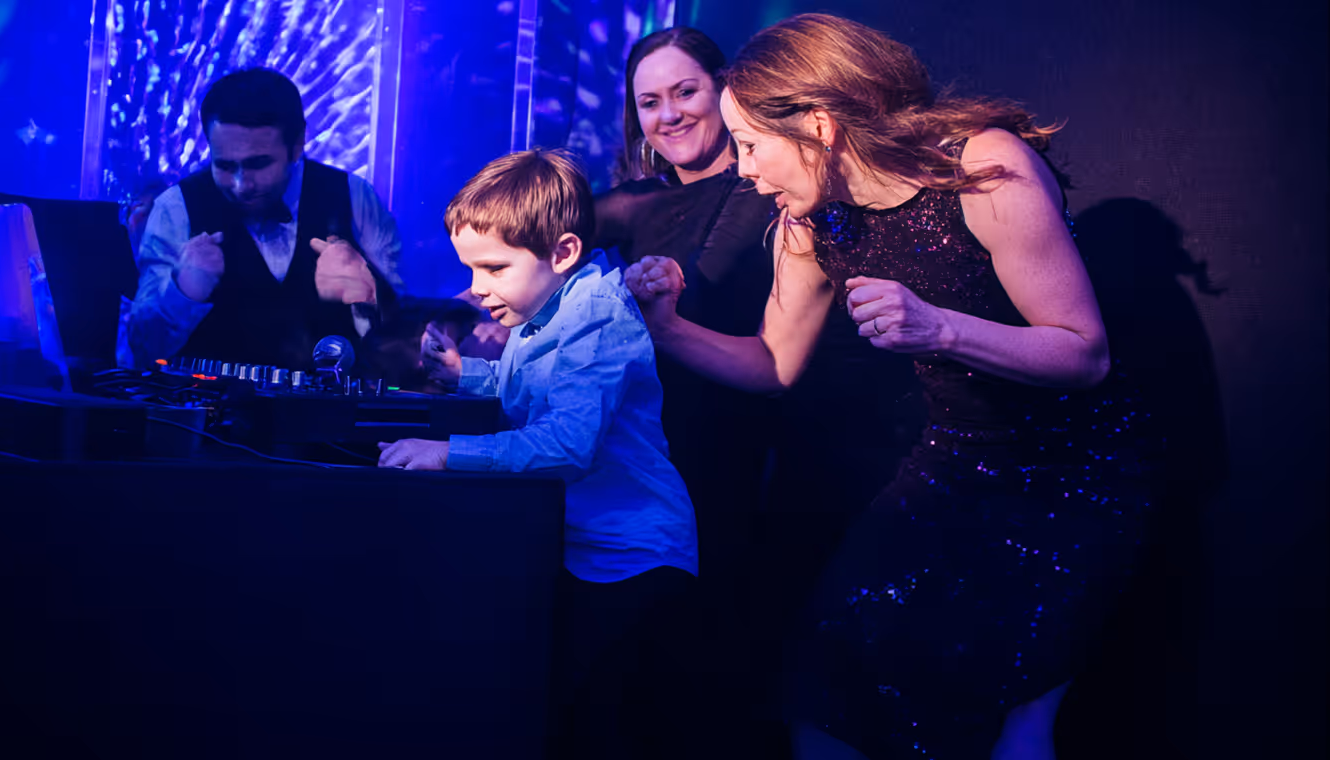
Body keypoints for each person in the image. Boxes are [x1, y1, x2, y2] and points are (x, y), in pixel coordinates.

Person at [626, 14, 1152, 760]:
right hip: (956, 465)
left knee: (1014, 723)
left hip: (1077, 479)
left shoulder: (984, 169)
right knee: (822, 686)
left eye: (750, 145)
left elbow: (1084, 355)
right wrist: (665, 327)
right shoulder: (813, 224)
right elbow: (771, 366)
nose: (743, 169)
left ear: (817, 126)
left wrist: (940, 328)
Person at [595, 27, 919, 751]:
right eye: (650, 101)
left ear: (728, 92)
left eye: (685, 92)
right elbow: (549, 229)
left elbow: (718, 315)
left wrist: (639, 309)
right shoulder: (650, 201)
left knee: (746, 660)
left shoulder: (774, 196)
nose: (670, 114)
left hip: (765, 452)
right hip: (669, 447)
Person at [378, 149, 699, 759]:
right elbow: (525, 388)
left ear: (563, 252)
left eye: (494, 268)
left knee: (600, 727)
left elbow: (567, 444)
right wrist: (463, 373)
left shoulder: (596, 317)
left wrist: (446, 454)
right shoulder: (548, 308)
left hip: (633, 559)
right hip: (585, 549)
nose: (476, 289)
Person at [128, 67, 403, 374]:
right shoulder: (175, 208)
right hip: (203, 419)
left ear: (298, 143)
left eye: (258, 164)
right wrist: (182, 294)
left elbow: (404, 346)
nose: (241, 185)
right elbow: (140, 353)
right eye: (225, 166)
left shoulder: (354, 197)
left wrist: (370, 296)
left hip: (332, 417)